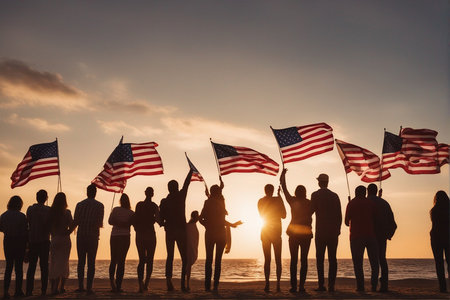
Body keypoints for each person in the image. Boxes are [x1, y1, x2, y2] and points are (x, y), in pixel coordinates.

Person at [199, 178, 242, 292]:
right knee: (217, 261)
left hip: (210, 233)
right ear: (218, 193)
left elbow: (201, 218)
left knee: (209, 259)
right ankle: (215, 285)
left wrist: (206, 225)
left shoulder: (208, 202)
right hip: (220, 233)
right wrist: (231, 225)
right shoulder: (221, 202)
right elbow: (222, 220)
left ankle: (207, 285)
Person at [159, 169, 193, 291]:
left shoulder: (164, 201)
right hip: (180, 231)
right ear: (176, 187)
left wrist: (162, 223)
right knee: (184, 257)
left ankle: (169, 281)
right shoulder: (181, 196)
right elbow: (187, 184)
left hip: (169, 231)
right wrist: (190, 172)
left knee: (170, 256)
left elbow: (160, 219)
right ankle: (183, 284)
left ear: (168, 189)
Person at [280, 169, 313, 293]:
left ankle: (294, 286)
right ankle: (301, 286)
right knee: (303, 260)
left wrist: (283, 176)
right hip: (305, 234)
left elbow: (284, 188)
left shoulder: (293, 201)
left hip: (294, 234)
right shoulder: (310, 203)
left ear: (296, 192)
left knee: (294, 260)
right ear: (305, 193)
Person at [310, 173, 342, 292]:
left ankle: (321, 285)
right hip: (333, 232)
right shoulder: (335, 196)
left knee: (320, 259)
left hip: (321, 232)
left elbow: (310, 212)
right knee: (332, 259)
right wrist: (338, 230)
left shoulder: (315, 195)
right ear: (327, 182)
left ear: (319, 182)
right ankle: (331, 285)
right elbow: (339, 215)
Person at [345, 185, 379, 292]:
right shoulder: (371, 204)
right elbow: (376, 219)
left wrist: (350, 205)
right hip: (371, 235)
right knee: (374, 263)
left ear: (355, 193)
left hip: (356, 236)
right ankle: (373, 286)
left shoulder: (351, 204)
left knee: (358, 263)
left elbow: (346, 222)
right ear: (365, 193)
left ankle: (360, 286)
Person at [71, 184, 104, 294]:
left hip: (81, 236)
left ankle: (81, 286)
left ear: (87, 192)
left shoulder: (80, 205)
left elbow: (75, 221)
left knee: (81, 262)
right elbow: (99, 223)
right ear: (95, 193)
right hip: (93, 236)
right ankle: (89, 287)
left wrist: (68, 232)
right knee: (91, 262)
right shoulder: (100, 206)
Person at [367, 184, 397, 292]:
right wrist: (388, 235)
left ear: (367, 191)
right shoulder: (384, 203)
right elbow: (393, 224)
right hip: (381, 236)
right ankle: (384, 285)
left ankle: (373, 285)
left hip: (369, 235)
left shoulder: (366, 203)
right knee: (382, 260)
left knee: (373, 261)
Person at [258, 183, 286, 292]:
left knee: (267, 259)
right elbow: (284, 215)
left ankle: (267, 284)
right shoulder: (277, 200)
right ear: (272, 190)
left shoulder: (260, 201)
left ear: (265, 190)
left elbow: (262, 214)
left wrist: (278, 199)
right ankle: (278, 284)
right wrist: (280, 199)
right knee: (278, 259)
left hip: (265, 231)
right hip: (275, 232)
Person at [132, 187, 160, 293]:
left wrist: (136, 229)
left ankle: (141, 284)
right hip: (150, 235)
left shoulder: (139, 205)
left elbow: (135, 219)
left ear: (145, 193)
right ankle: (146, 283)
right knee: (150, 260)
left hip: (140, 234)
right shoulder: (154, 206)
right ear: (152, 194)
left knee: (141, 259)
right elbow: (159, 220)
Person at [0, 196, 28, 299]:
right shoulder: (21, 216)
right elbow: (25, 231)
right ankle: (18, 290)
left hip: (7, 241)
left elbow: (1, 227)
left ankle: (6, 291)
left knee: (8, 267)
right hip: (19, 242)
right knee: (18, 268)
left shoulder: (4, 215)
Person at [25, 189, 51, 296]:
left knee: (32, 266)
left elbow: (28, 223)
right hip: (44, 241)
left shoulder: (30, 209)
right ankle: (43, 290)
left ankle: (29, 290)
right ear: (46, 198)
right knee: (44, 267)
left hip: (33, 240)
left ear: (37, 197)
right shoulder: (49, 210)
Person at [47, 192, 73, 295]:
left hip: (55, 238)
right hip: (65, 239)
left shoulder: (50, 212)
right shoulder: (67, 212)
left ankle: (54, 287)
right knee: (63, 263)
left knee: (54, 263)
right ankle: (60, 287)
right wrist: (68, 231)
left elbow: (47, 226)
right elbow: (72, 225)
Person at [108, 193, 134, 293]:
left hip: (115, 236)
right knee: (121, 261)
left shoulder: (116, 210)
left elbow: (110, 221)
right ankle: (118, 285)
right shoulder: (131, 213)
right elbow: (131, 224)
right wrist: (124, 223)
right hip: (124, 236)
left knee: (113, 260)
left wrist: (118, 222)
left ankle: (112, 283)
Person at [429, 190, 449, 293]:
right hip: (448, 237)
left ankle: (442, 287)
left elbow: (435, 225)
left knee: (439, 262)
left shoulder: (434, 210)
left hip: (436, 238)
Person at [185, 210, 200, 291]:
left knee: (188, 265)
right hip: (189, 247)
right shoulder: (190, 225)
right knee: (188, 265)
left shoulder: (190, 225)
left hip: (192, 246)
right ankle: (187, 284)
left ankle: (187, 283)